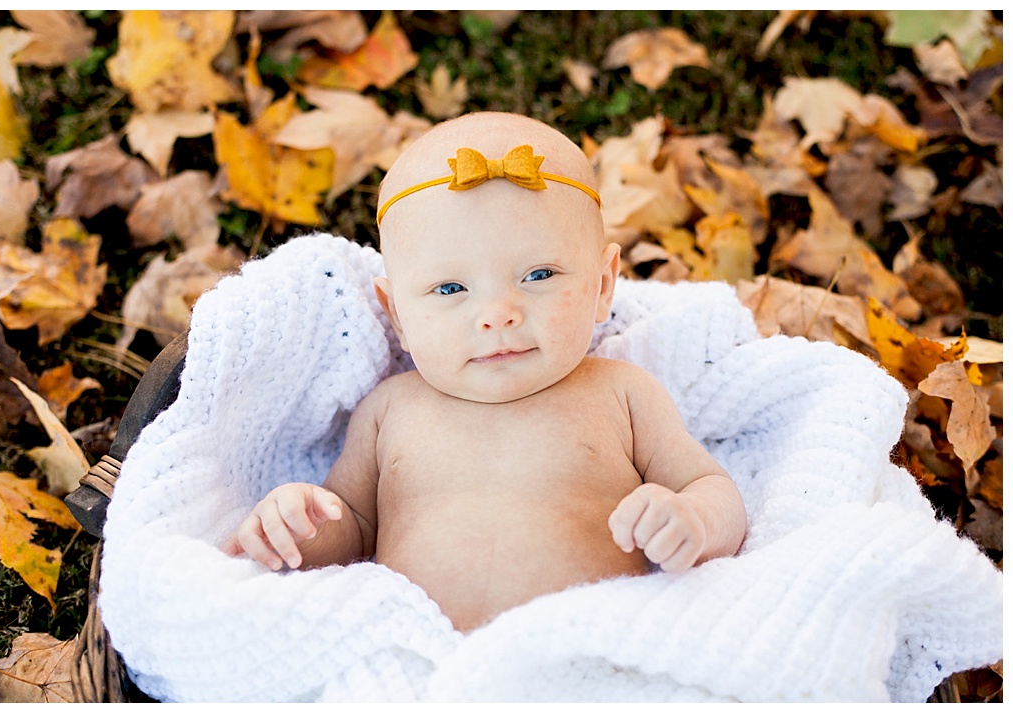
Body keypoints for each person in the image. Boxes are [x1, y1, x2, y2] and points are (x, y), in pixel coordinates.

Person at [222, 112, 747, 632]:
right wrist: (301, 524)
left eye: (539, 274)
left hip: (588, 644)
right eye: (450, 289)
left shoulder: (619, 393)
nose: (498, 313)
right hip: (419, 659)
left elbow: (711, 488)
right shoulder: (390, 409)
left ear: (603, 284)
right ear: (398, 313)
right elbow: (354, 529)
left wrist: (693, 520)